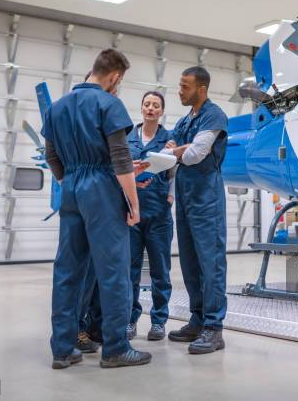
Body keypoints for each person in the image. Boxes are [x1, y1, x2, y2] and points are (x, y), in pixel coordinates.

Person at [42, 48, 151, 369]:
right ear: (115, 77)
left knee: (67, 270)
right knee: (114, 271)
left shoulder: (57, 108)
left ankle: (63, 349)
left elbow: (51, 156)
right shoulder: (108, 103)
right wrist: (132, 202)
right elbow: (120, 160)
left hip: (72, 188)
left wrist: (72, 181)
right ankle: (116, 348)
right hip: (102, 191)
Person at [163, 66, 229, 354]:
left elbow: (193, 155)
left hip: (206, 199)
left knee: (210, 263)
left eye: (185, 86)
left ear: (201, 89)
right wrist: (177, 150)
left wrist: (179, 150)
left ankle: (214, 328)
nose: (180, 91)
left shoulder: (214, 116)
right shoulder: (183, 121)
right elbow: (169, 154)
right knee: (190, 262)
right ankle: (198, 318)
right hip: (186, 197)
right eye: (180, 85)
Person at [125, 91, 175, 341]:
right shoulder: (128, 138)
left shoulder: (170, 140)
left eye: (156, 105)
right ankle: (130, 321)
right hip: (132, 214)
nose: (151, 108)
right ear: (141, 108)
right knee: (130, 270)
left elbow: (176, 172)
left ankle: (158, 321)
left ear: (162, 111)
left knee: (160, 271)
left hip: (159, 216)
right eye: (147, 104)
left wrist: (171, 197)